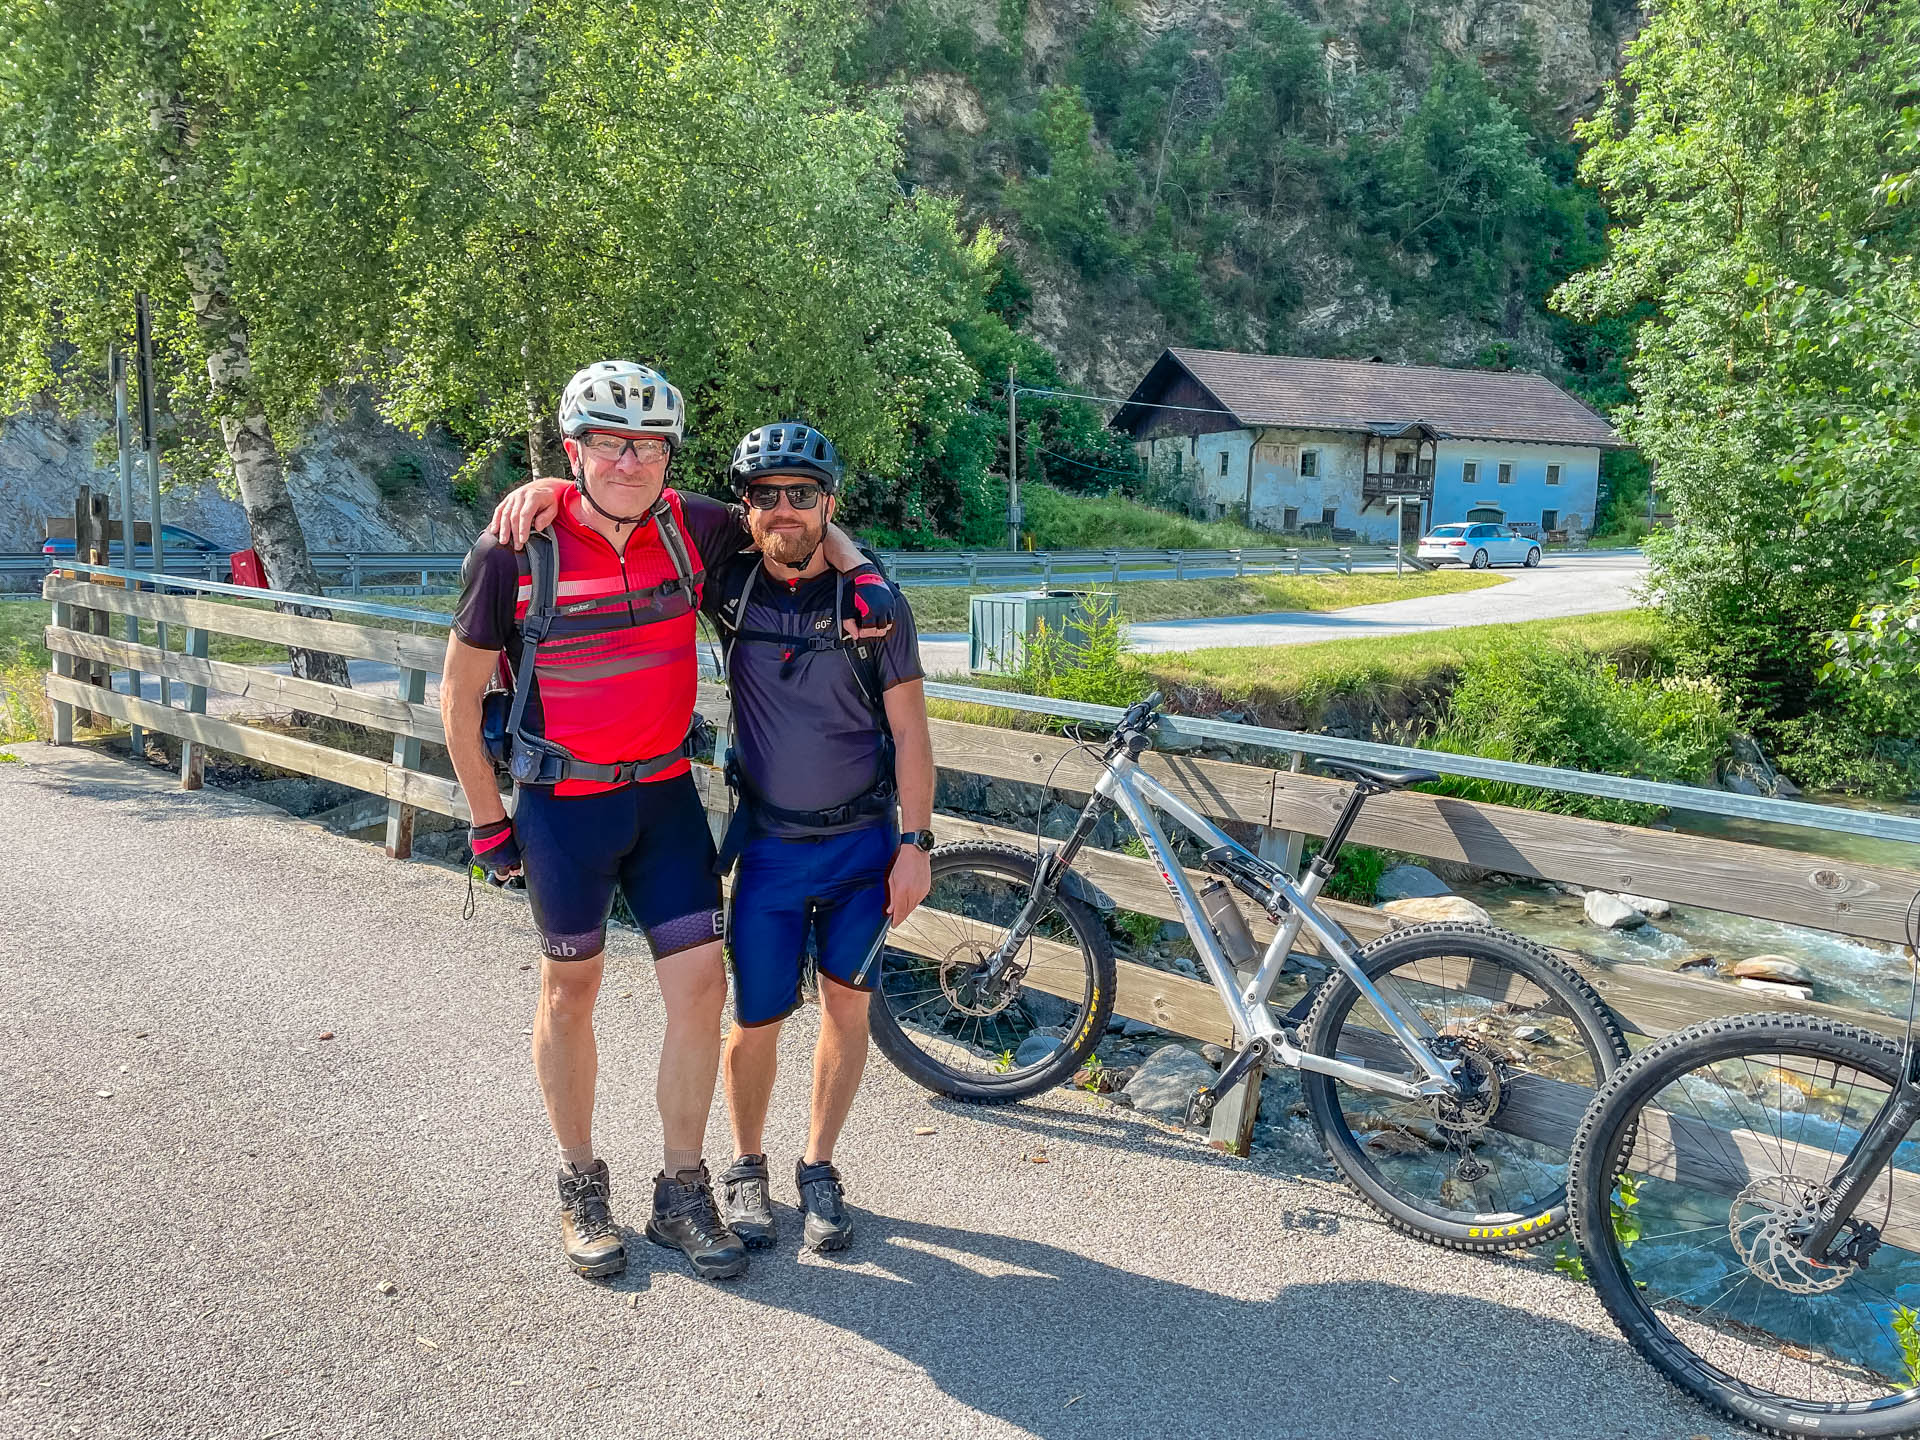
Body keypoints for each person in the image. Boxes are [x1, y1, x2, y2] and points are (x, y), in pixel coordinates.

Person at [439, 361, 893, 1283]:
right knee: (570, 993)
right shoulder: (512, 552)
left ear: (669, 456)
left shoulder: (694, 527)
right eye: (609, 443)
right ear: (574, 450)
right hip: (563, 808)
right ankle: (579, 1183)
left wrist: (861, 571)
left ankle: (681, 1190)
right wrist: (488, 822)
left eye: (648, 446)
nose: (630, 461)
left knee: (700, 991)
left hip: (664, 797)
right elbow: (455, 697)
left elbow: (794, 523)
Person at [702, 422, 934, 1254]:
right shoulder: (728, 587)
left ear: (830, 502)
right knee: (756, 1015)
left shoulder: (874, 605)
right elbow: (636, 508)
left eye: (803, 494)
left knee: (847, 1005)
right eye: (766, 496)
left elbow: (911, 731)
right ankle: (745, 1164)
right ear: (745, 507)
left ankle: (819, 1165)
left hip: (861, 847)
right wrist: (545, 491)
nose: (785, 510)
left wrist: (917, 844)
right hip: (768, 846)